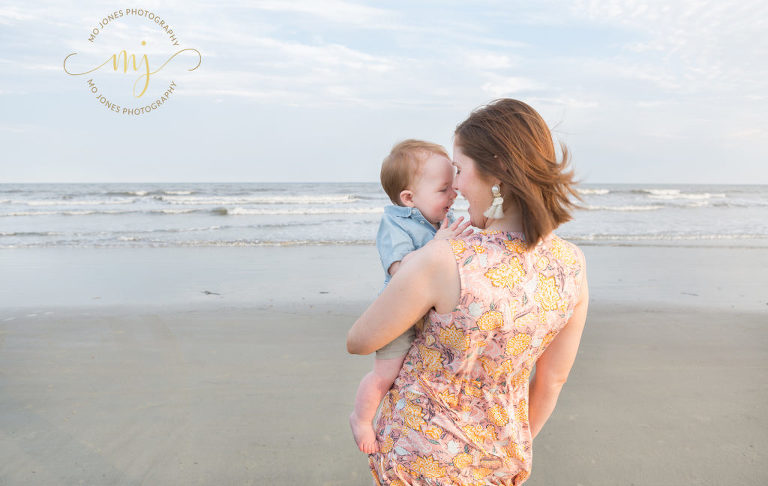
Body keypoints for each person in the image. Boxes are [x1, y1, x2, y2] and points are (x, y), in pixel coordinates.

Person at [347, 99, 589, 485]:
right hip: (502, 459)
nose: (456, 186)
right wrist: (501, 445)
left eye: (459, 170)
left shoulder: (443, 258)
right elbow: (551, 381)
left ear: (497, 172)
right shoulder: (571, 263)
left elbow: (360, 340)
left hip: (420, 456)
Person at [350, 139, 473, 454]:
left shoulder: (440, 216)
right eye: (444, 189)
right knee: (385, 375)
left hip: (432, 314)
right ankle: (361, 418)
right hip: (400, 314)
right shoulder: (395, 224)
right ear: (408, 197)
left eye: (454, 184)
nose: (454, 193)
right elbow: (400, 269)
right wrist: (437, 245)